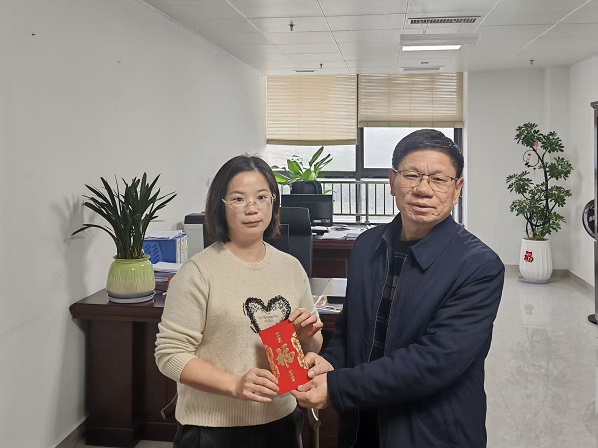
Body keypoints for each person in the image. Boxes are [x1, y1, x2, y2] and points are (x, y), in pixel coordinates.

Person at [291, 129, 505, 448]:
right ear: (392, 181)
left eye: (439, 179)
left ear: (457, 189)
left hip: (430, 432)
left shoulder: (479, 266)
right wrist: (332, 362)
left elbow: (434, 362)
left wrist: (337, 386)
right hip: (362, 423)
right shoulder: (367, 245)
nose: (423, 189)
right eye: (412, 175)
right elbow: (351, 328)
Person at [155, 155, 323, 448]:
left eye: (262, 197)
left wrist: (307, 337)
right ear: (220, 206)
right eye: (238, 199)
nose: (252, 208)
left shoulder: (291, 267)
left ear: (274, 202)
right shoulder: (198, 272)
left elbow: (312, 347)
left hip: (282, 420)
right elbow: (170, 355)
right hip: (213, 428)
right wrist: (234, 385)